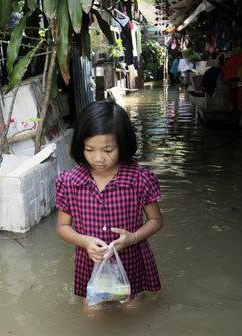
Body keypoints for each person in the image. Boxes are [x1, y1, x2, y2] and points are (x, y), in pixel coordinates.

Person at [55, 100, 163, 308]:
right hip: (90, 262)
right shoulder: (69, 182)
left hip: (131, 260)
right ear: (80, 146)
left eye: (108, 150)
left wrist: (132, 237)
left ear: (122, 144)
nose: (99, 158)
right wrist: (85, 242)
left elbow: (156, 220)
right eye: (89, 149)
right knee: (92, 311)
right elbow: (62, 227)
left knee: (132, 308)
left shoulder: (140, 179)